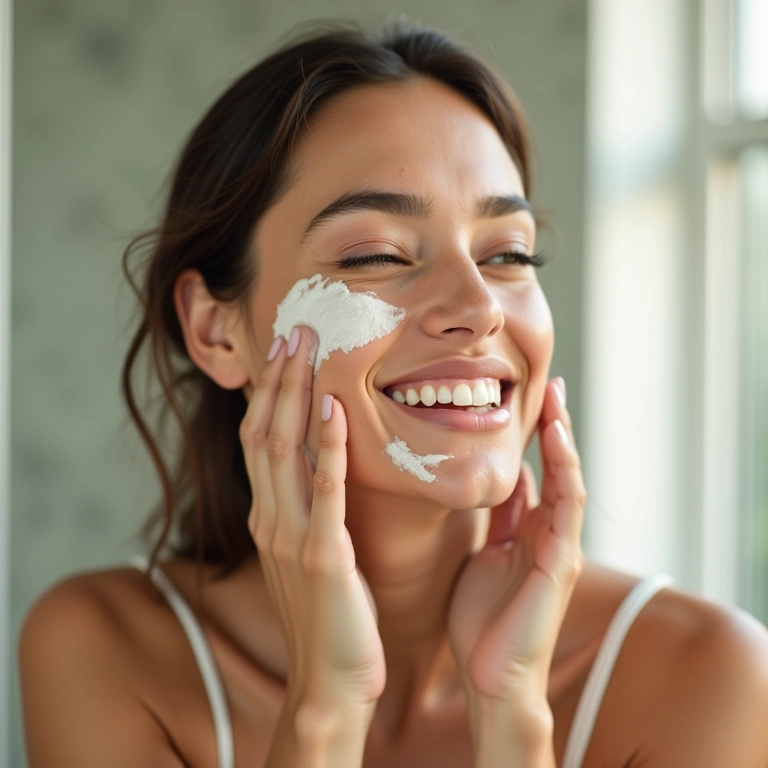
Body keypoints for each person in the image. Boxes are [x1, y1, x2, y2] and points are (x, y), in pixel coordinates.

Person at [18, 20, 768, 768]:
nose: (479, 308)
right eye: (376, 254)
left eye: (509, 252)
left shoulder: (708, 677)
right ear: (216, 331)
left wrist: (511, 713)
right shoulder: (104, 652)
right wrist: (325, 708)